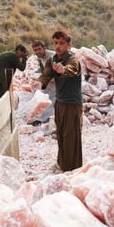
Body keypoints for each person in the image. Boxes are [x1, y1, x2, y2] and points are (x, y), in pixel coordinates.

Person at [38, 30, 83, 172]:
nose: (58, 46)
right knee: (61, 134)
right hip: (60, 102)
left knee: (71, 136)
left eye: (62, 43)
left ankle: (72, 169)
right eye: (55, 43)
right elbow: (45, 76)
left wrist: (62, 70)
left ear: (68, 45)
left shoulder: (73, 60)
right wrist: (38, 84)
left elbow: (71, 69)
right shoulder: (51, 60)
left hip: (72, 104)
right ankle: (62, 164)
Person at [32, 40, 55, 124]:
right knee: (44, 95)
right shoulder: (39, 57)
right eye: (35, 50)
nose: (37, 52)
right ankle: (39, 116)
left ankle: (42, 119)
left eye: (39, 49)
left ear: (44, 48)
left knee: (51, 97)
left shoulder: (52, 56)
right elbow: (42, 69)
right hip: (50, 79)